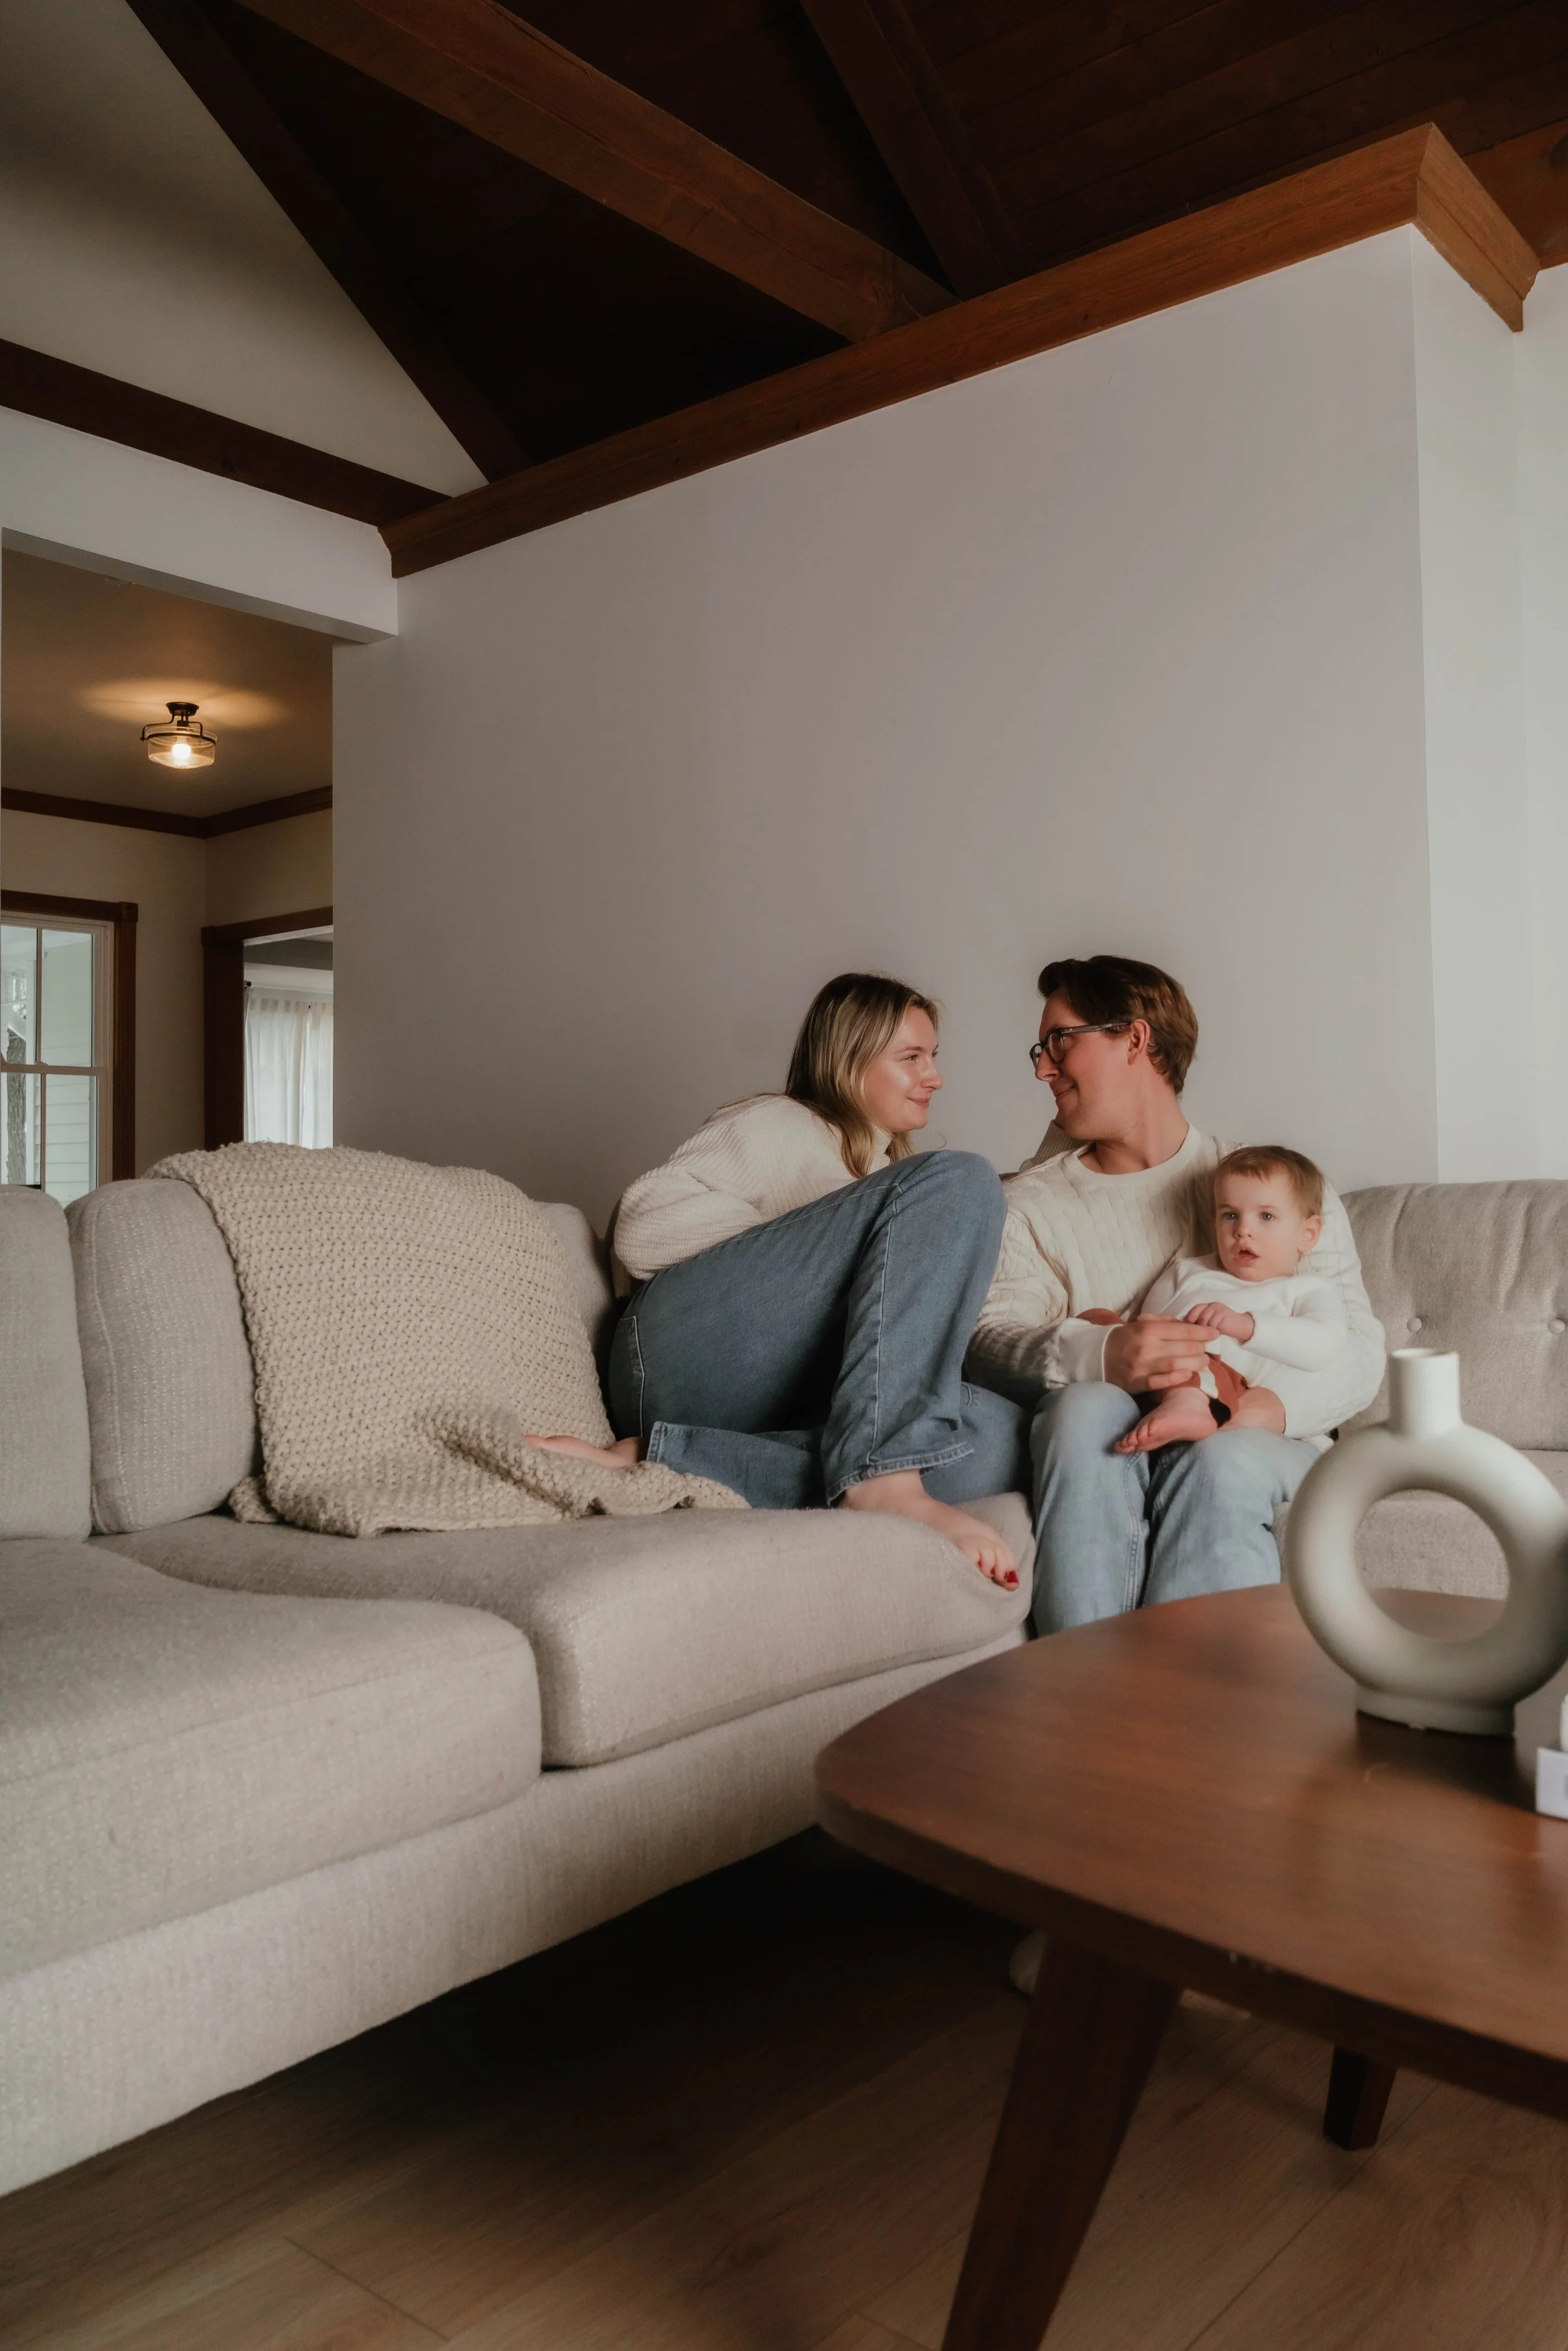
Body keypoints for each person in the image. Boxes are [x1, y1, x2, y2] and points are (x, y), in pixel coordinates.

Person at [530, 972, 1029, 1588]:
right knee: (963, 1179)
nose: (934, 1076)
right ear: (849, 1062)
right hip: (676, 1358)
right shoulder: (783, 1123)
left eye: (932, 1057)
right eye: (911, 1057)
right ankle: (881, 1476)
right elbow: (642, 1228)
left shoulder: (890, 1174)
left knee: (1001, 1430)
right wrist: (817, 1239)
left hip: (766, 1408)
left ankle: (661, 1462)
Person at [969, 955, 1384, 1632]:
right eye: (1039, 1050)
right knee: (1081, 1412)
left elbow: (1358, 1351)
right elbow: (988, 1340)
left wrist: (1244, 1411)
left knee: (1220, 1461)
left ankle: (1210, 1712)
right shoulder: (1025, 1207)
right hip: (1110, 1429)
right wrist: (1106, 1353)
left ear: (1134, 1040)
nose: (1042, 1068)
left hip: (1254, 1440)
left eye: (1059, 1042)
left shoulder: (1274, 1187)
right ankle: (1085, 1689)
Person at [1086, 1144, 1350, 1453]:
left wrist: (1247, 1326)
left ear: (1308, 1233)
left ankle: (1188, 1404)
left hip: (1234, 1392)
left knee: (1200, 1362)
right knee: (1095, 1318)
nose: (1243, 1230)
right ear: (1215, 1223)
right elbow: (1149, 1322)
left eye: (1266, 1216)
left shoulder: (1309, 1289)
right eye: (1230, 1215)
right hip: (1160, 1373)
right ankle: (1170, 1405)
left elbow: (1325, 1344)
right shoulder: (1188, 1271)